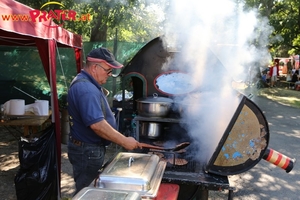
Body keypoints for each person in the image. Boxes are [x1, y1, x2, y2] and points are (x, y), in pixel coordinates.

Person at [67, 47, 141, 195]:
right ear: (95, 67)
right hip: (87, 151)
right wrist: (124, 141)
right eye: (108, 71)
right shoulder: (86, 89)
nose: (109, 75)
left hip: (87, 148)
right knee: (86, 192)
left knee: (90, 190)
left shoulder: (87, 83)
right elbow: (97, 125)